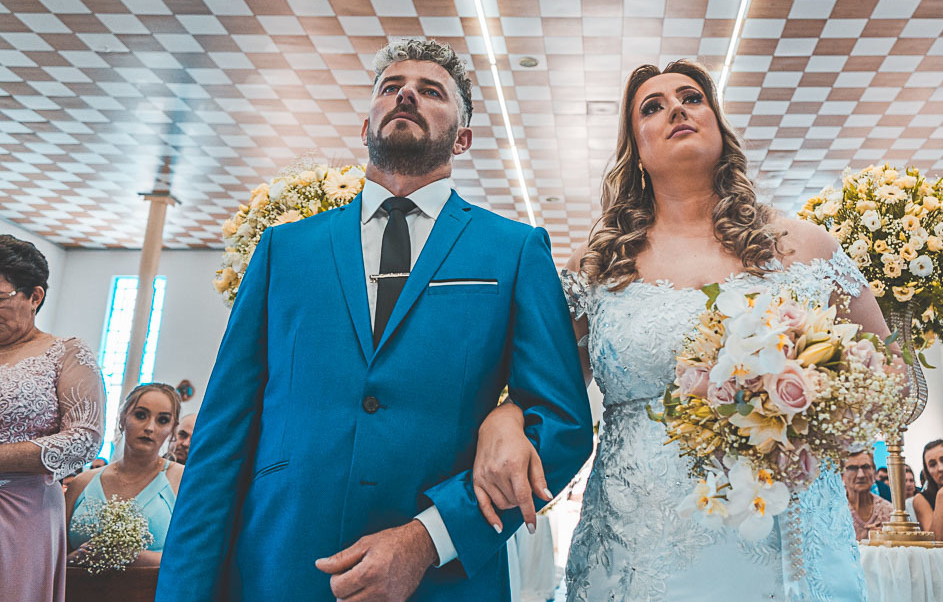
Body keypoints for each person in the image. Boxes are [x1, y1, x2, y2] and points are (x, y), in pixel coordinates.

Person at [156, 38, 593, 602]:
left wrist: (429, 538)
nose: (406, 93)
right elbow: (222, 435)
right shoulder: (284, 249)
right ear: (366, 128)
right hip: (281, 565)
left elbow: (560, 424)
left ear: (462, 137)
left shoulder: (512, 251)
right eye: (391, 88)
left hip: (442, 581)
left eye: (430, 91)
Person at [470, 60, 894, 600]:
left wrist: (815, 391)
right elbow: (546, 392)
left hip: (787, 531)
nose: (676, 108)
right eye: (652, 106)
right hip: (640, 543)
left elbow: (894, 377)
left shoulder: (807, 247)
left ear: (718, 124)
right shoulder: (597, 267)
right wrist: (504, 415)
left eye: (692, 97)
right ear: (636, 148)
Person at [0, 235, 104, 602]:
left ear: (35, 297)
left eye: (0, 298)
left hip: (20, 512)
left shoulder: (64, 353)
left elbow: (85, 439)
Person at [66, 383, 183, 564]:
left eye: (162, 420)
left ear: (172, 429)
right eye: (140, 415)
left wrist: (131, 555)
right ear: (123, 419)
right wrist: (75, 559)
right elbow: (53, 559)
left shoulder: (182, 479)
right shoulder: (82, 483)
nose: (150, 427)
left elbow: (191, 559)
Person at [845, 450, 894, 541]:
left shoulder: (888, 511)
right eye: (852, 468)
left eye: (866, 467)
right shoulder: (833, 512)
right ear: (841, 474)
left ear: (874, 471)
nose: (861, 475)